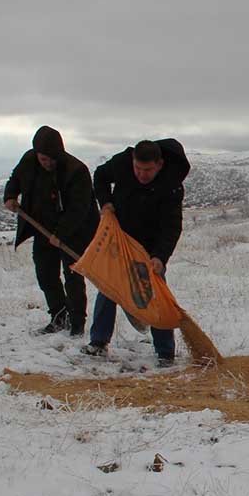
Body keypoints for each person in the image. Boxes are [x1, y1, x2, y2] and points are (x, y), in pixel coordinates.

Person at [84, 139, 190, 365]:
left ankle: (165, 353)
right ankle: (98, 342)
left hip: (151, 246)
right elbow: (100, 177)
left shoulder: (172, 185)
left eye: (148, 170)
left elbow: (172, 226)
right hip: (121, 237)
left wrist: (160, 257)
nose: (141, 175)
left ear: (159, 164)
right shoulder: (122, 163)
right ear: (132, 161)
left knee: (155, 292)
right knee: (109, 287)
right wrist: (105, 202)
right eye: (137, 169)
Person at [3, 126, 99, 336]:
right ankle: (59, 315)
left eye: (52, 159)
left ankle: (76, 324)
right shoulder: (29, 160)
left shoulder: (76, 170)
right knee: (45, 273)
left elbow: (79, 209)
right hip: (42, 227)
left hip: (75, 229)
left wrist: (60, 234)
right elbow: (15, 180)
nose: (48, 163)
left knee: (72, 275)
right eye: (44, 159)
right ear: (37, 153)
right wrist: (10, 196)